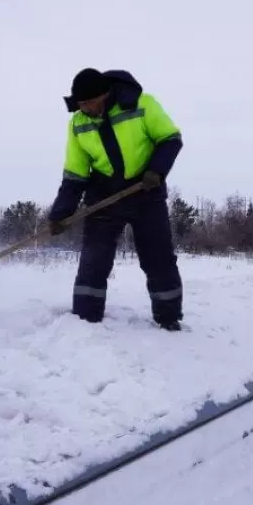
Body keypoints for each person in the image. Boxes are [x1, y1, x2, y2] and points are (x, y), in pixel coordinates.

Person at [47, 68, 184, 330]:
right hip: (104, 195)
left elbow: (171, 138)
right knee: (93, 260)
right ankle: (86, 320)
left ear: (104, 94)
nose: (84, 109)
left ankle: (169, 317)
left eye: (89, 103)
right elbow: (75, 174)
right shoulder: (78, 123)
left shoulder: (142, 104)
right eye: (80, 105)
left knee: (158, 258)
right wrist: (60, 214)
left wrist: (156, 170)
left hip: (146, 191)